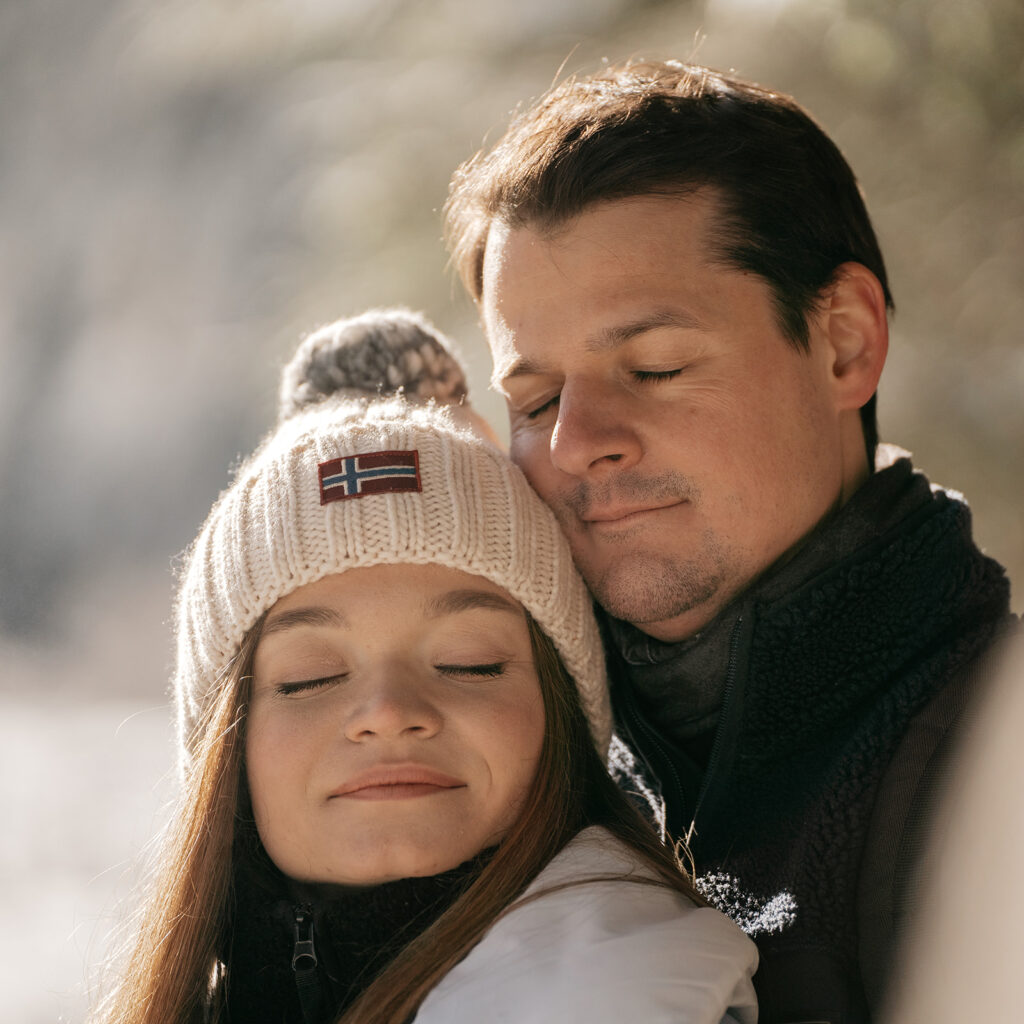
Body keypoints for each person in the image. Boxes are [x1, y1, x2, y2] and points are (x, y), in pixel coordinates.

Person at [443, 60, 1017, 1022]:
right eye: (536, 401)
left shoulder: (1001, 776)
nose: (578, 443)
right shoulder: (507, 786)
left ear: (844, 342)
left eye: (655, 367)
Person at [91, 309, 758, 1024]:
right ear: (228, 748)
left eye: (469, 663)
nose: (387, 710)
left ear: (563, 708)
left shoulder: (631, 994)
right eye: (309, 677)